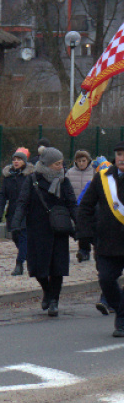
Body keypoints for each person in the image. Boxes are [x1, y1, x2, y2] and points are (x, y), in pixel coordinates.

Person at [10, 147, 77, 317]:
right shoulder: (32, 180)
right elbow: (22, 202)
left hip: (58, 230)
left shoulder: (64, 181)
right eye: (57, 163)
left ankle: (54, 300)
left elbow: (72, 204)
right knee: (38, 268)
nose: (60, 166)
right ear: (47, 164)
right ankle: (47, 291)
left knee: (57, 268)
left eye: (62, 163)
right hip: (37, 230)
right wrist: (16, 223)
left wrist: (80, 225)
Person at [77, 142, 124, 335]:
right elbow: (86, 207)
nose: (122, 158)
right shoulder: (103, 178)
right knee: (105, 279)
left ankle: (121, 321)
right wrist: (85, 236)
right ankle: (122, 311)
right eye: (119, 154)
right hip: (108, 241)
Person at [0, 147, 34, 276]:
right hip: (12, 212)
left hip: (26, 212)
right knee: (16, 237)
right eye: (14, 160)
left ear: (24, 161)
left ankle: (19, 264)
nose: (16, 162)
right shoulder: (8, 177)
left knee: (23, 235)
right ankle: (29, 257)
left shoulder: (30, 176)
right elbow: (2, 195)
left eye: (19, 159)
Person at [67, 150, 93, 262]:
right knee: (81, 226)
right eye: (79, 161)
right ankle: (84, 250)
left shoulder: (94, 172)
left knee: (90, 228)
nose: (81, 163)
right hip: (76, 205)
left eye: (84, 160)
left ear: (88, 161)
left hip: (91, 205)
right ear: (75, 162)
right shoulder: (70, 173)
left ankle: (90, 248)